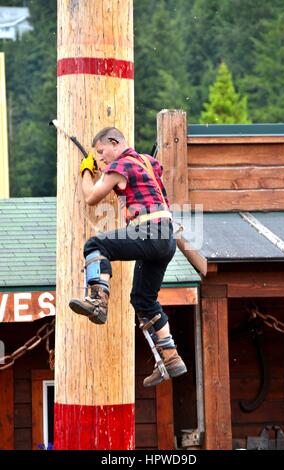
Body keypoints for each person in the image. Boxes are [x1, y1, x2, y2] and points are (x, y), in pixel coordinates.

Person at [69, 127, 187, 387]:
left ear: (114, 143)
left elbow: (91, 197)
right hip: (167, 238)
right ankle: (170, 356)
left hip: (149, 231)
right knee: (143, 300)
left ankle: (97, 300)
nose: (101, 158)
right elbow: (135, 182)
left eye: (101, 152)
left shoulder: (119, 165)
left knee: (95, 245)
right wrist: (110, 177)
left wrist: (86, 171)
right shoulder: (146, 161)